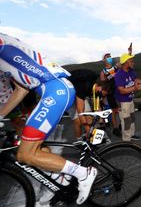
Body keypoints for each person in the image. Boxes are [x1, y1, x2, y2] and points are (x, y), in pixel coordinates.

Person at [0, 33, 97, 205]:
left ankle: (84, 173)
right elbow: (21, 91)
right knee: (33, 146)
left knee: (25, 154)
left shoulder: (3, 46)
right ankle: (60, 178)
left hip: (56, 92)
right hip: (56, 89)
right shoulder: (7, 47)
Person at [115, 53, 141, 141]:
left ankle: (132, 134)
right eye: (131, 61)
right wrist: (135, 87)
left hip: (130, 99)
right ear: (126, 62)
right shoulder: (119, 75)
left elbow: (136, 79)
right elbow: (122, 91)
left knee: (132, 118)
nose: (133, 62)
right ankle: (126, 140)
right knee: (126, 121)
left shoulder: (131, 71)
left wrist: (140, 82)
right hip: (123, 102)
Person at [67, 69, 99, 139]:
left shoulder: (96, 87)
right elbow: (80, 110)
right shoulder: (83, 86)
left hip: (80, 93)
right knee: (77, 121)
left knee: (89, 117)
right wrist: (88, 130)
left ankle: (91, 138)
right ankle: (79, 140)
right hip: (69, 95)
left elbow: (97, 106)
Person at [99, 53, 121, 137]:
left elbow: (124, 62)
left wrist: (129, 52)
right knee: (114, 111)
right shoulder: (103, 72)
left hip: (119, 91)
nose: (109, 58)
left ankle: (121, 125)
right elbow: (103, 84)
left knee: (120, 110)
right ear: (104, 60)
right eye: (107, 57)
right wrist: (103, 95)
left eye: (110, 56)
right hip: (110, 93)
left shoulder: (116, 67)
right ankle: (115, 128)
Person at [0, 70, 25, 135]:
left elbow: (21, 89)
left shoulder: (6, 64)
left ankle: (25, 140)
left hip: (9, 99)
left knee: (17, 122)